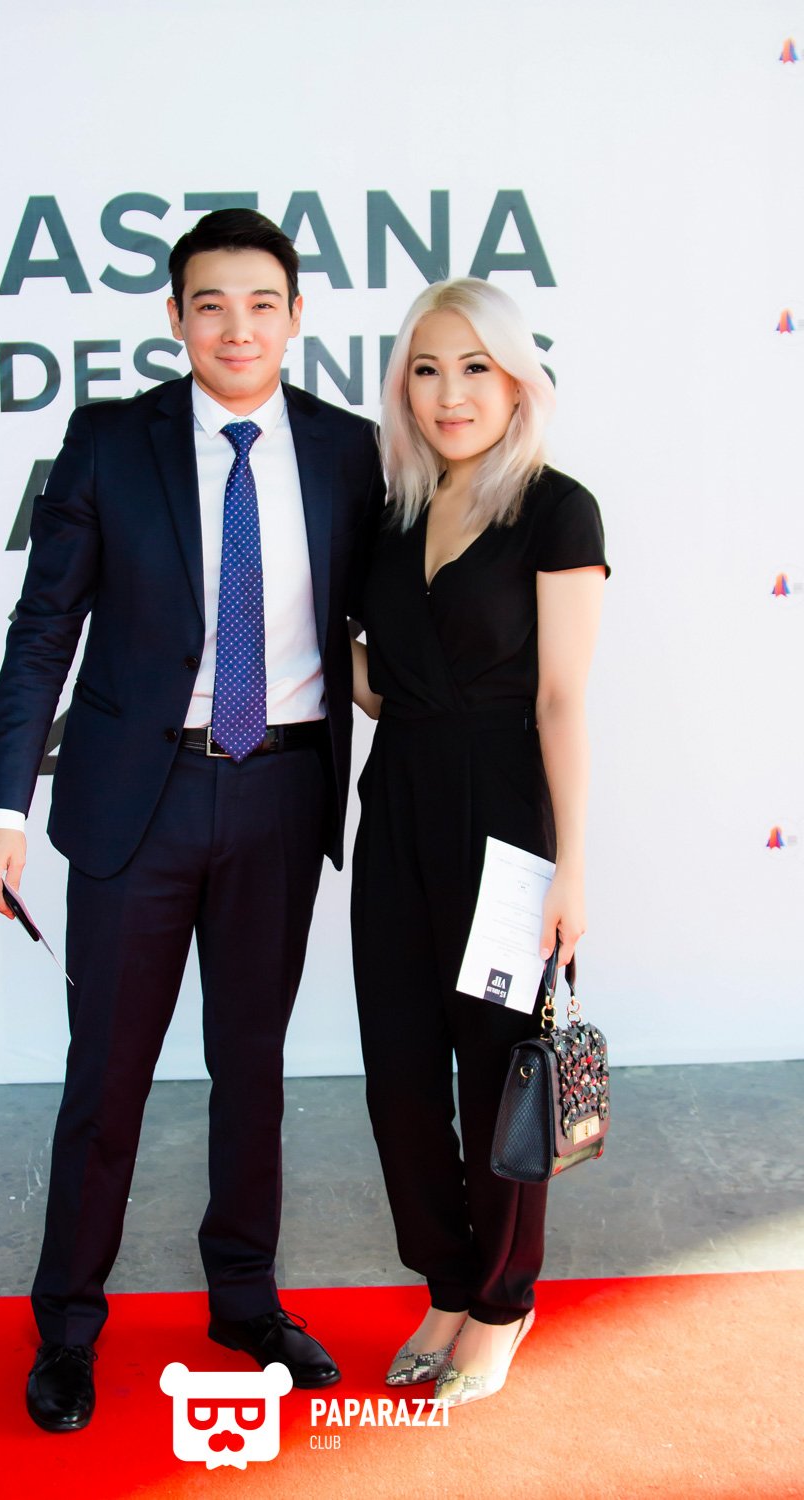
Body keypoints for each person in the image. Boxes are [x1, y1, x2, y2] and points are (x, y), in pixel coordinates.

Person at [0, 209, 385, 1431]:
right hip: (132, 804)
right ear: (175, 318)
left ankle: (244, 1302)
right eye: (210, 305)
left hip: (281, 793)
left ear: (296, 316)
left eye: (260, 304)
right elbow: (43, 629)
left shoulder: (350, 450)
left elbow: (383, 622)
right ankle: (67, 1328)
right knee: (107, 1075)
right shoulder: (110, 441)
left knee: (252, 1069)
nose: (236, 328)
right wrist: (1, 805)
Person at [350, 277, 607, 1407]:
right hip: (397, 805)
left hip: (507, 821)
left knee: (500, 1072)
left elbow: (560, 700)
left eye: (475, 369)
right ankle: (447, 1286)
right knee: (399, 1074)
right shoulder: (390, 512)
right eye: (426, 369)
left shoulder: (557, 509)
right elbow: (381, 687)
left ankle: (503, 1303)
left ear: (516, 383)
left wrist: (572, 868)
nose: (450, 394)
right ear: (402, 387)